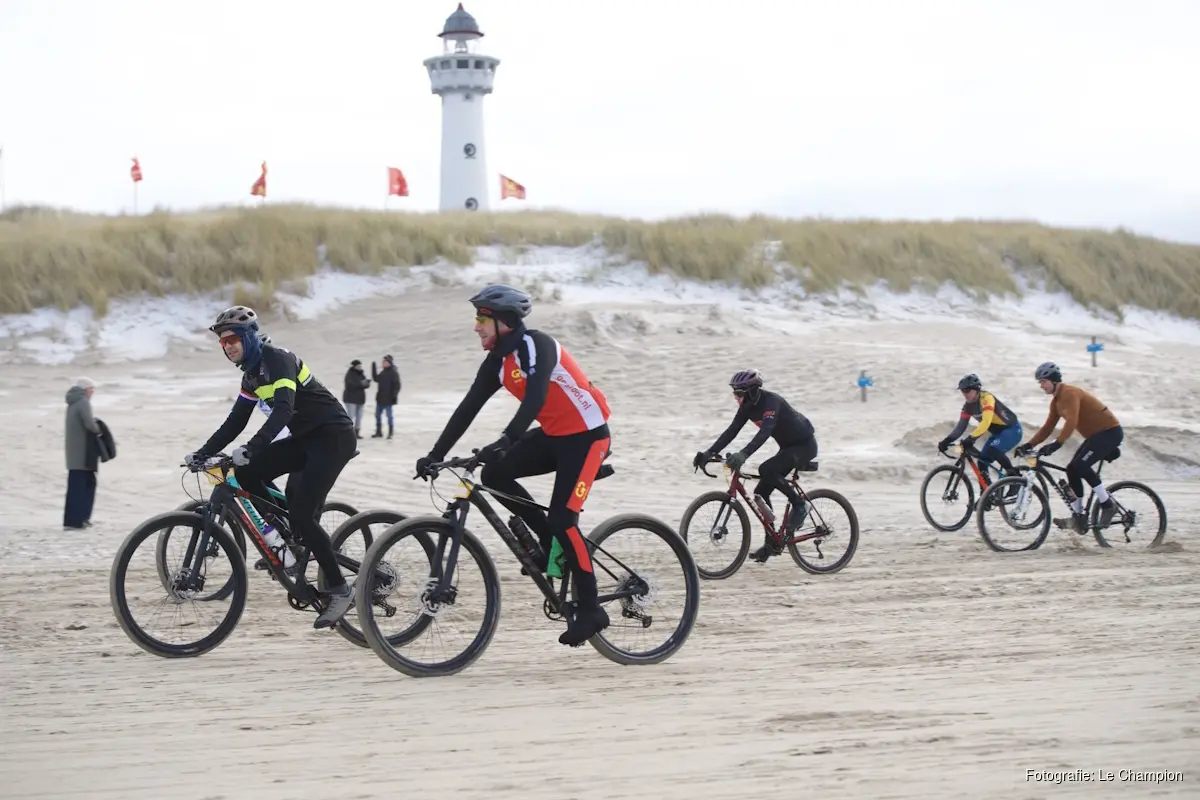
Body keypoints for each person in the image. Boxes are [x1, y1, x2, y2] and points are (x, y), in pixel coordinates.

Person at [414, 284, 613, 648]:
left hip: (588, 439)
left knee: (563, 519)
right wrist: (434, 454)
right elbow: (468, 408)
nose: (476, 326)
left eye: (482, 319)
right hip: (554, 435)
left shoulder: (538, 345)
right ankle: (548, 540)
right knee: (494, 474)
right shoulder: (498, 362)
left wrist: (506, 439)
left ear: (504, 321)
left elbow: (535, 398)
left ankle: (591, 608)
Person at [184, 306, 359, 630]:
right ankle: (286, 535)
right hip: (305, 439)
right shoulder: (250, 376)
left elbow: (283, 409)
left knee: (303, 515)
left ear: (250, 336)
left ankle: (340, 589)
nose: (228, 346)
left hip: (333, 438)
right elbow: (235, 421)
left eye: (233, 339)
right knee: (245, 474)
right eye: (223, 342)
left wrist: (253, 446)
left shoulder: (278, 359)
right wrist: (203, 452)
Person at [693, 369, 817, 564]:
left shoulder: (771, 402)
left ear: (751, 391)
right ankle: (771, 543)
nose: (736, 397)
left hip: (804, 446)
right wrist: (708, 453)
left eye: (739, 393)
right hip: (787, 448)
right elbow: (732, 431)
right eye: (734, 393)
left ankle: (800, 505)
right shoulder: (748, 407)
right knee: (761, 492)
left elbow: (764, 433)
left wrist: (744, 454)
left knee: (767, 469)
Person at [1015, 361, 1123, 533]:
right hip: (1095, 437)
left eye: (1043, 382)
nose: (1041, 386)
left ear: (1054, 380)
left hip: (1110, 432)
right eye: (1040, 382)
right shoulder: (1056, 403)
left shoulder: (1070, 393)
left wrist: (1057, 443)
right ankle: (1078, 516)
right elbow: (1048, 427)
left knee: (1081, 465)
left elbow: (1071, 421)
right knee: (1072, 469)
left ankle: (1108, 505)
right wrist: (1029, 444)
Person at [937, 373, 1022, 480]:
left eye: (967, 390)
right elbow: (960, 428)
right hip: (997, 433)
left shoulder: (987, 398)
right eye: (963, 391)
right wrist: (946, 441)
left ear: (976, 389)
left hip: (1012, 430)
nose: (965, 394)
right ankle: (987, 489)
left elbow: (986, 422)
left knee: (994, 450)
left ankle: (1015, 478)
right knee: (982, 461)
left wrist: (971, 438)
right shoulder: (967, 407)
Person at [63, 377, 100, 530]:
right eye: (91, 389)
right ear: (85, 389)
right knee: (86, 486)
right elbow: (90, 425)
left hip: (73, 455)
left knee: (74, 488)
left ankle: (71, 521)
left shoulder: (72, 402)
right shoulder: (83, 402)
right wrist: (100, 428)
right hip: (84, 455)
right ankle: (81, 520)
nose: (92, 392)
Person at [370, 355, 401, 439]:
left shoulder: (393, 373)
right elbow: (376, 379)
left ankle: (390, 433)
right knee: (377, 415)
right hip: (380, 398)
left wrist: (394, 395)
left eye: (385, 362)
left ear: (389, 363)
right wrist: (373, 368)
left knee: (389, 416)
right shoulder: (383, 372)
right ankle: (378, 431)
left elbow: (397, 385)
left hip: (388, 399)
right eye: (383, 362)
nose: (383, 363)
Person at [342, 359, 371, 439]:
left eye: (360, 366)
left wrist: (367, 383)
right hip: (350, 399)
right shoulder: (349, 374)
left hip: (360, 399)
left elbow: (365, 384)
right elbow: (350, 385)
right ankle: (348, 433)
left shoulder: (361, 374)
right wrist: (361, 384)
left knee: (359, 417)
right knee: (351, 417)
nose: (360, 367)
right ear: (354, 366)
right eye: (358, 366)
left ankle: (357, 433)